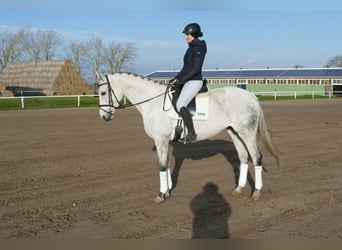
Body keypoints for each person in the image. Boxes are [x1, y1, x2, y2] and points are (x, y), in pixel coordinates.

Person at [169, 23, 207, 143]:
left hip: (195, 81)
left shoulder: (199, 48)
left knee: (180, 104)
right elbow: (185, 68)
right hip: (187, 80)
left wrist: (181, 80)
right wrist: (175, 79)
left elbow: (195, 68)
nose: (186, 36)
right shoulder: (190, 48)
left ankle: (191, 133)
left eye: (188, 34)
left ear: (194, 35)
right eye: (186, 34)